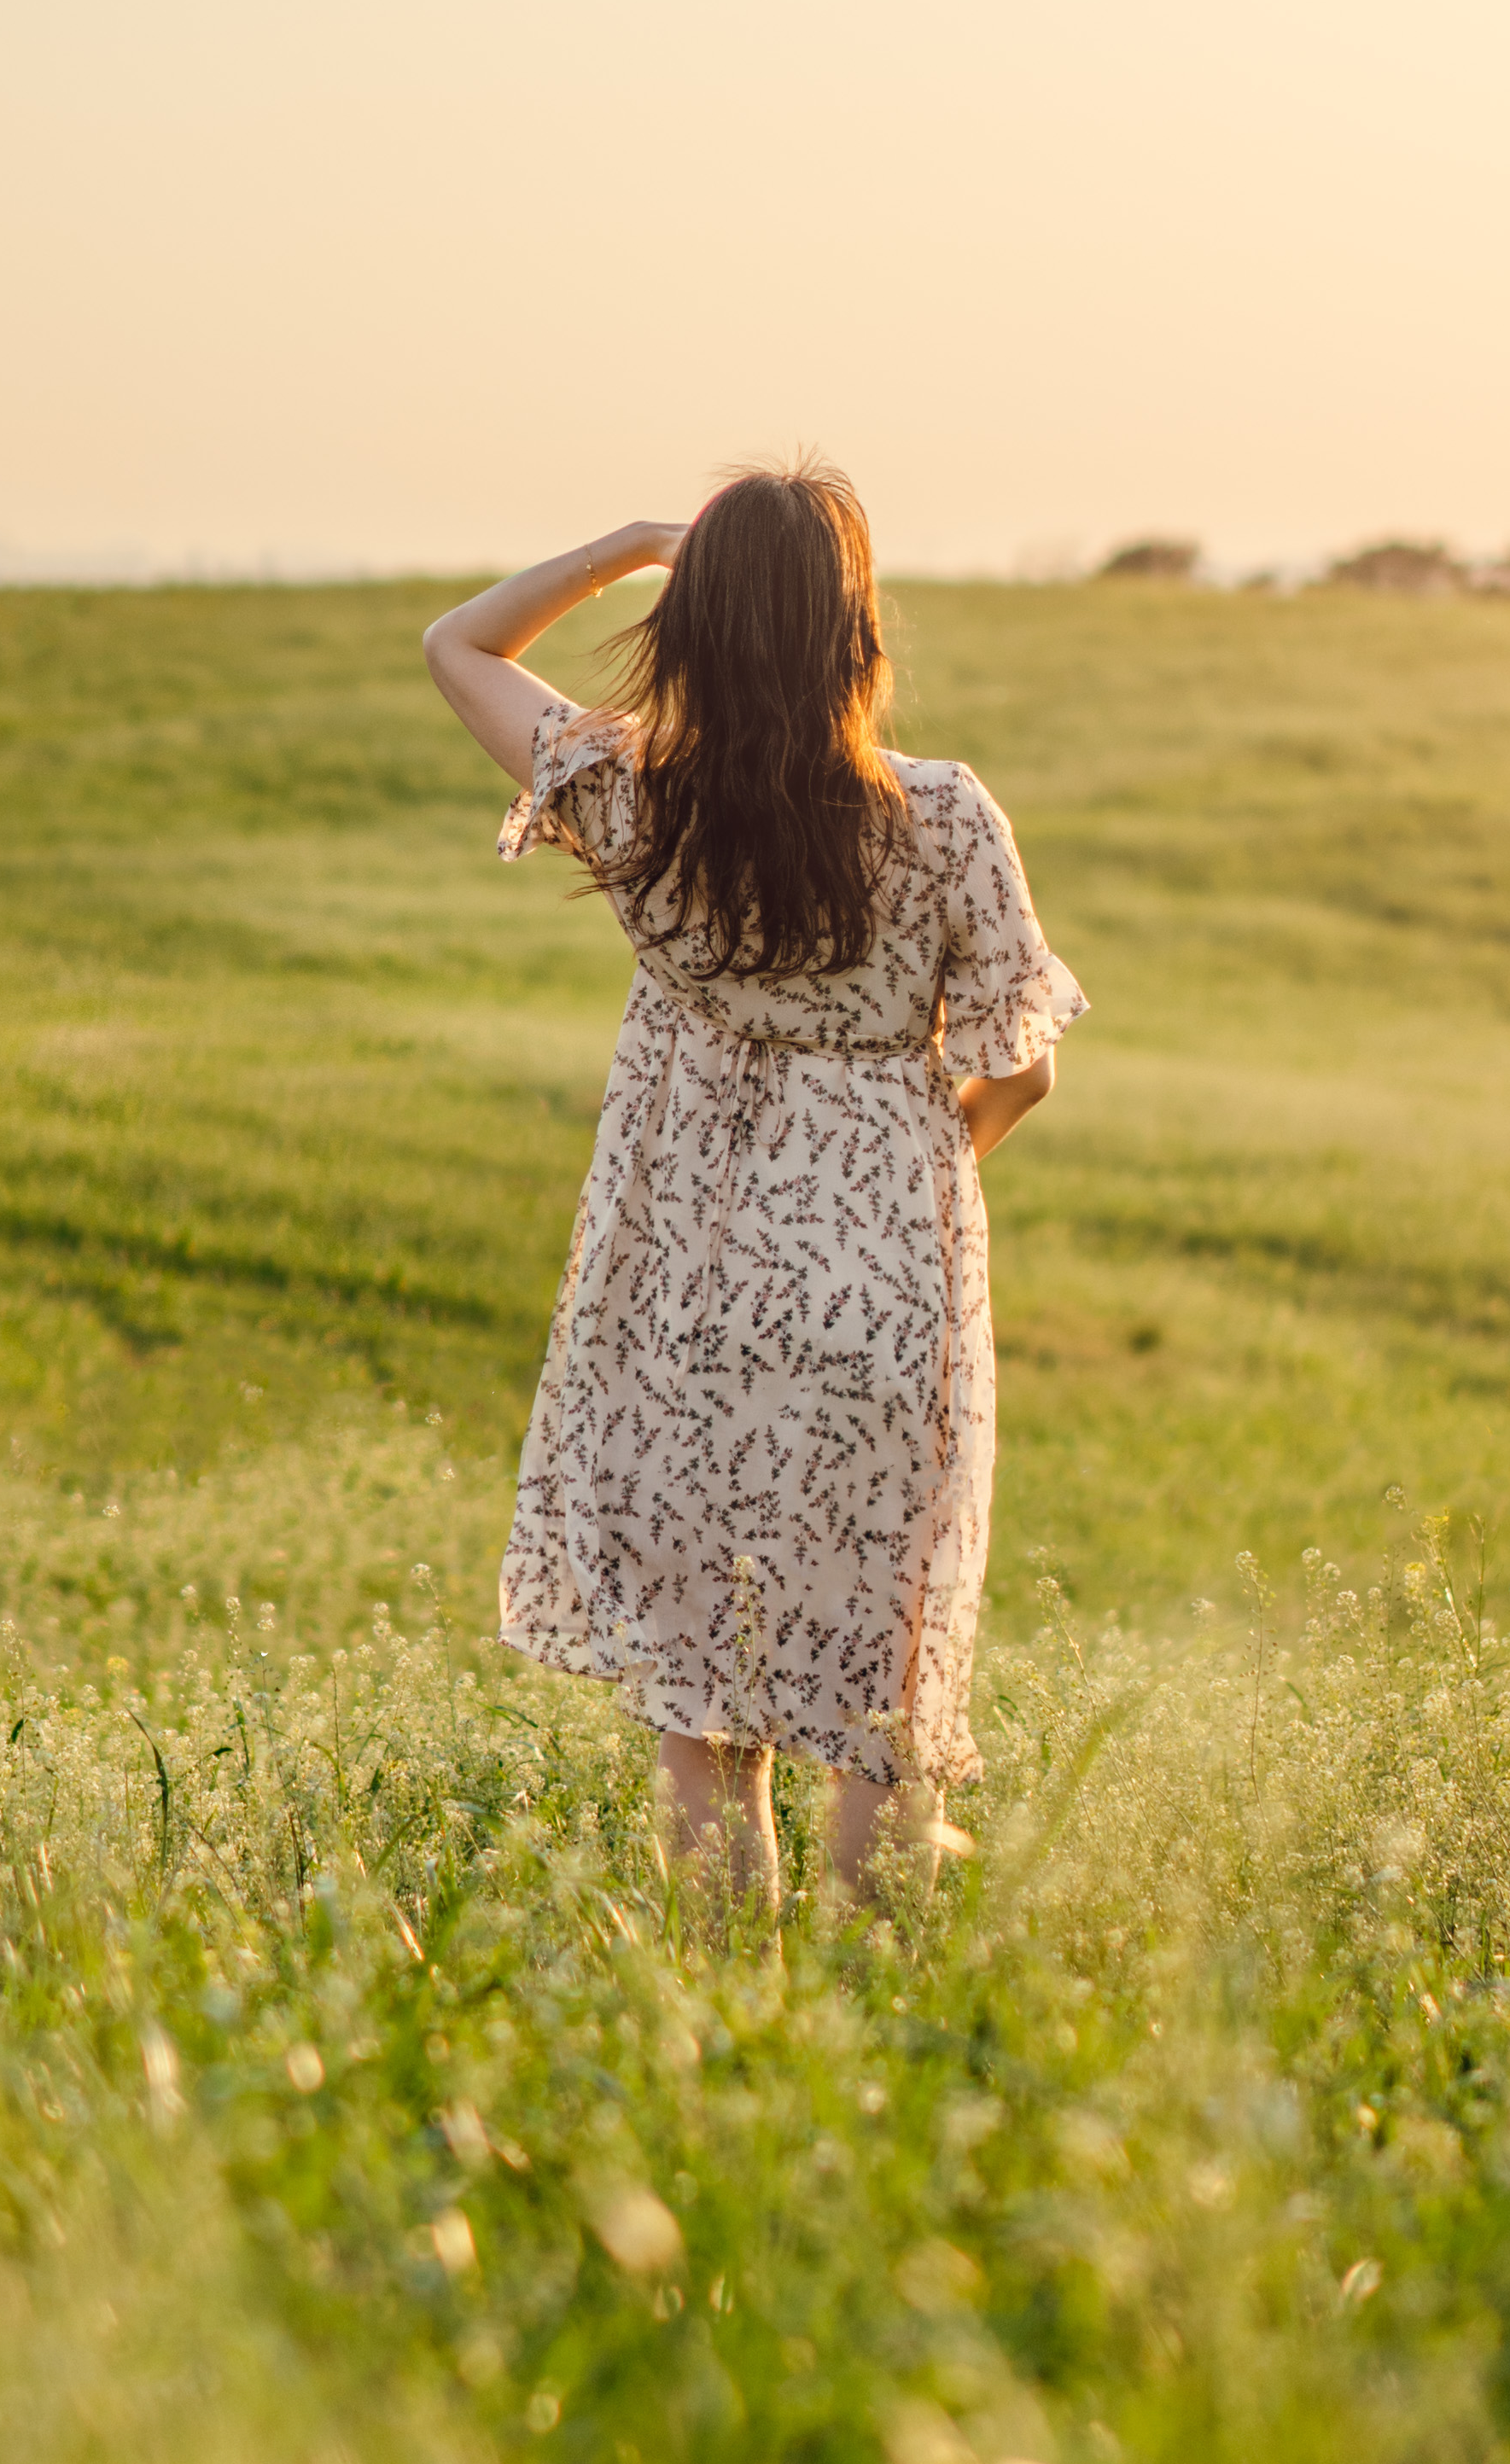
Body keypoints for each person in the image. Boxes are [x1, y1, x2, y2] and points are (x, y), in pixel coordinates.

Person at [422, 465, 1086, 1902]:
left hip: (687, 1293)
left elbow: (456, 646)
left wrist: (630, 547)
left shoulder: (628, 793)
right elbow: (1022, 1070)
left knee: (707, 1735)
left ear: (696, 629)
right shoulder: (946, 814)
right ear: (854, 634)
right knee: (875, 1709)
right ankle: (864, 2060)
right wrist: (904, 1183)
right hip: (887, 1296)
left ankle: (731, 2057)